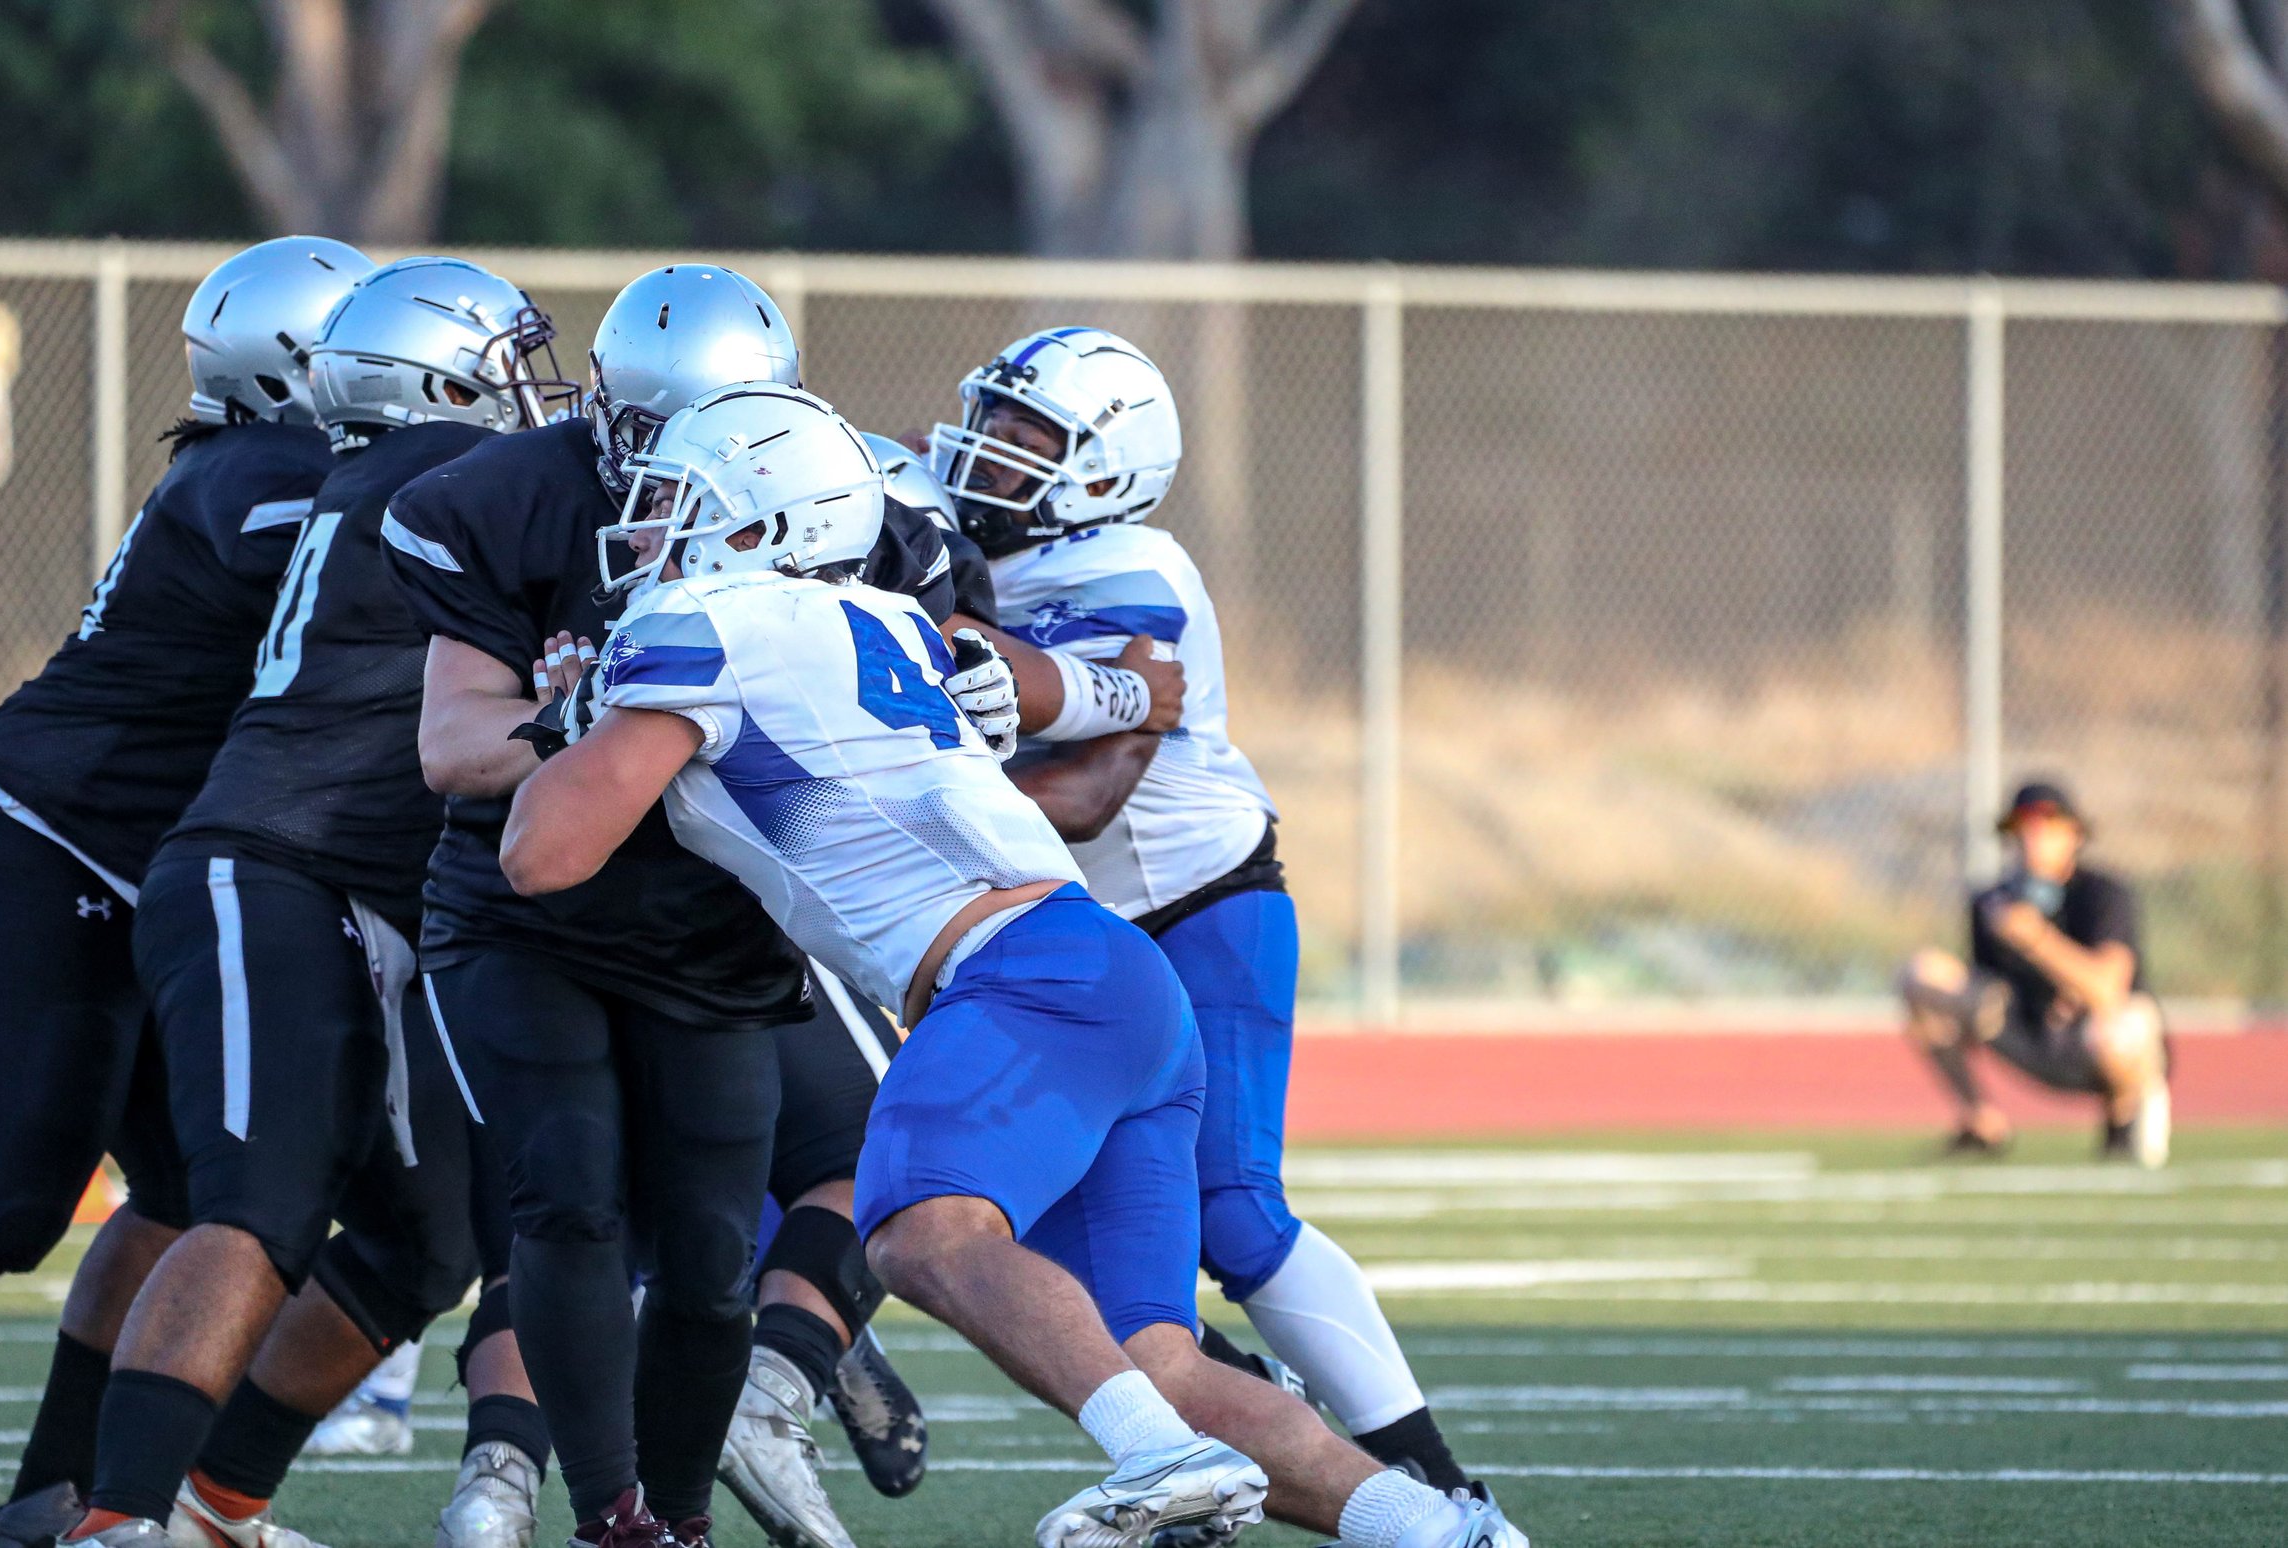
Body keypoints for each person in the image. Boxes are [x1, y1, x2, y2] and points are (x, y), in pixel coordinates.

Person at [502, 381, 1525, 1548]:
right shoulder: (882, 618)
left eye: (680, 502)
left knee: (917, 1231)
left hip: (1012, 977)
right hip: (1117, 978)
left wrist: (568, 715)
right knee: (1158, 1360)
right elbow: (1008, 689)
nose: (648, 528)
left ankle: (1165, 1463)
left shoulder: (705, 621)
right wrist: (1131, 690)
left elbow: (543, 855)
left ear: (765, 524)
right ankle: (1446, 1533)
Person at [381, 263, 1040, 1548]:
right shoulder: (508, 501)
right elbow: (454, 750)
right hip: (530, 911)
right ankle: (607, 1512)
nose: (681, 483)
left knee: (704, 1252)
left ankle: (675, 1514)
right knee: (567, 1193)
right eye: (664, 446)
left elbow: (952, 679)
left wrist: (1001, 702)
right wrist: (580, 725)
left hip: (722, 920)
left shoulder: (858, 504)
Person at [0, 238, 369, 1548]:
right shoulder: (264, 471)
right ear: (300, 369)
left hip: (144, 863)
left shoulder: (278, 464)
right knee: (10, 1195)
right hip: (37, 839)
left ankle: (58, 1499)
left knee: (183, 1196)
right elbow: (368, 578)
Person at [60, 255, 573, 1548]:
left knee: (429, 1236)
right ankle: (116, 1522)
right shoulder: (441, 476)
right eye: (508, 359)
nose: (536, 389)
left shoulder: (384, 479)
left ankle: (217, 1505)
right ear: (439, 376)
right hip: (271, 871)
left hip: (350, 892)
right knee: (263, 1204)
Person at [929, 326, 1489, 1503]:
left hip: (1191, 905)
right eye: (989, 420)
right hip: (1066, 938)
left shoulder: (1125, 575)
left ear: (1103, 470)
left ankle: (1431, 1479)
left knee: (1231, 1209)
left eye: (1028, 437)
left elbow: (1081, 797)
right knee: (1022, 1230)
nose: (987, 451)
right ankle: (1244, 1409)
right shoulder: (938, 541)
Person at [1898, 780, 2170, 1166]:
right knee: (1921, 974)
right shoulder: (1993, 902)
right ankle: (1982, 1122)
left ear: (2075, 833)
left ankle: (2125, 1115)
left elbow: (2108, 990)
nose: (2034, 838)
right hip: (2030, 1031)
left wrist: (2038, 940)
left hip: (2092, 1041)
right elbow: (1985, 987)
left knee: (2123, 1026)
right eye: (2025, 827)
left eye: (2048, 826)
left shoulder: (2102, 893)